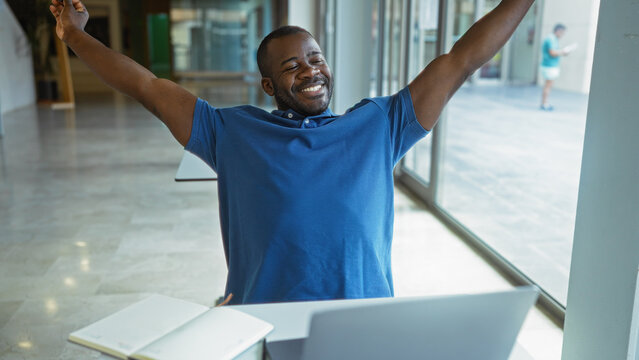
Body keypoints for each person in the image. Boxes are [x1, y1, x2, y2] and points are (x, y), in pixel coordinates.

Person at [49, 0, 534, 305]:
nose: (310, 71)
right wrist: (74, 35)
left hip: (362, 321)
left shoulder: (379, 124)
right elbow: (145, 85)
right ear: (268, 84)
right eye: (292, 66)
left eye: (316, 58)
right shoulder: (230, 131)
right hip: (266, 321)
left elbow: (460, 61)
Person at [540, 23, 569, 111]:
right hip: (549, 66)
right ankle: (544, 104)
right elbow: (552, 52)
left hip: (549, 65)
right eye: (562, 33)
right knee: (548, 86)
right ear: (558, 31)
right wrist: (563, 52)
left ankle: (544, 103)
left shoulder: (552, 39)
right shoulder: (551, 39)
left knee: (548, 86)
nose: (562, 35)